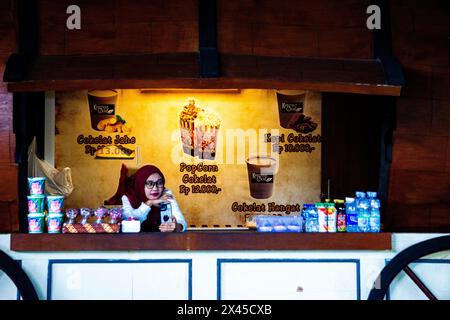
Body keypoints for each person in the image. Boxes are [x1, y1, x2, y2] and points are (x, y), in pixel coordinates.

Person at [121, 165, 187, 232]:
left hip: (162, 240)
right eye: (150, 184)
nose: (155, 188)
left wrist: (177, 227)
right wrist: (149, 203)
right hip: (134, 241)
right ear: (140, 184)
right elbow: (129, 222)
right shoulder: (128, 197)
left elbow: (181, 222)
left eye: (159, 183)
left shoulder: (166, 194)